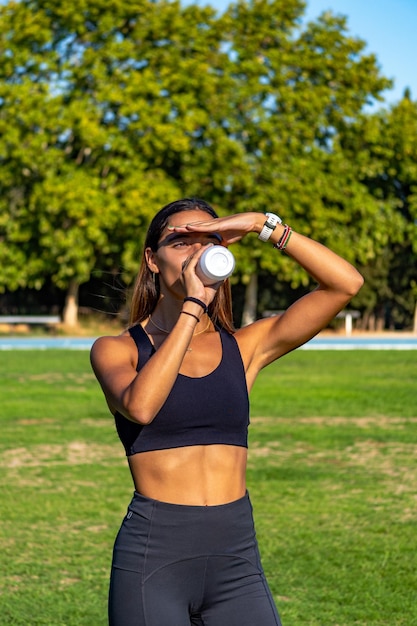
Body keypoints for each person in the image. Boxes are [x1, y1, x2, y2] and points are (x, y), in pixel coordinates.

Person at [90, 198, 363, 626]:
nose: (196, 254)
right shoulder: (117, 349)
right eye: (181, 242)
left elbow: (344, 284)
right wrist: (193, 308)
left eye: (209, 242)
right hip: (154, 556)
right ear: (152, 260)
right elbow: (141, 407)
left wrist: (261, 225)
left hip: (235, 556)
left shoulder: (245, 347)